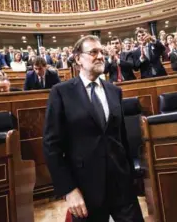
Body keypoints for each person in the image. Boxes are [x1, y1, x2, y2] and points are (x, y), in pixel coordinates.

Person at [43, 35, 144, 222]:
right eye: (93, 52)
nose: (100, 56)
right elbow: (51, 146)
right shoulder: (61, 92)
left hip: (121, 186)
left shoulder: (115, 91)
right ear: (78, 59)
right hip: (85, 189)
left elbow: (122, 137)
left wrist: (131, 177)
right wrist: (68, 190)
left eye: (102, 52)